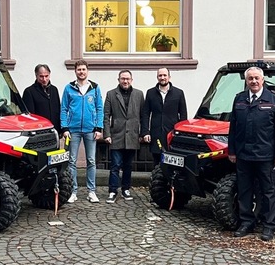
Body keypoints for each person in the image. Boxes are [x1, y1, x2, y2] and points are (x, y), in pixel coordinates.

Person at [228, 67, 275, 241]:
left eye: (256, 78)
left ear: (263, 80)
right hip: (243, 155)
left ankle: (269, 225)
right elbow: (233, 128)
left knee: (268, 191)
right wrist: (232, 151)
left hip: (265, 155)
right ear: (246, 81)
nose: (253, 81)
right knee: (245, 190)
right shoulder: (239, 99)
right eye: (250, 78)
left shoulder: (274, 99)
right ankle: (247, 222)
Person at [60, 60, 104, 203]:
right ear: (75, 71)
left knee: (91, 160)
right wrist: (65, 128)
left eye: (83, 69)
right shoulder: (69, 88)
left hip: (90, 130)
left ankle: (92, 191)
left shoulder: (95, 88)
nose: (81, 72)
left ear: (87, 71)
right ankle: (73, 191)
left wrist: (98, 128)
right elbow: (64, 108)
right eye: (79, 69)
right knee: (72, 161)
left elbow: (99, 109)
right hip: (73, 130)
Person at [103, 70, 144, 203]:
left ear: (131, 80)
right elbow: (106, 116)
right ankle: (112, 191)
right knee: (115, 165)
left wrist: (142, 133)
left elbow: (143, 116)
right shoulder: (111, 94)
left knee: (128, 165)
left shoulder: (139, 94)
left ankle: (126, 189)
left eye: (127, 79)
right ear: (118, 80)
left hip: (132, 135)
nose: (125, 81)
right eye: (122, 79)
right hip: (116, 135)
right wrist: (107, 134)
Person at [141, 68, 188, 166]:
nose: (162, 78)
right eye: (160, 76)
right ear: (157, 77)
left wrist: (181, 134)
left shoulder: (178, 93)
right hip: (156, 134)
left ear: (169, 77)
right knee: (157, 162)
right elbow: (145, 114)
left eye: (164, 75)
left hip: (172, 134)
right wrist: (145, 132)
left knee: (173, 163)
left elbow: (183, 115)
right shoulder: (150, 93)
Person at [22, 64, 61, 131]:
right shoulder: (29, 91)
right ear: (36, 76)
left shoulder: (54, 89)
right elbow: (29, 116)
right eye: (41, 76)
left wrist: (60, 129)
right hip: (39, 130)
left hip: (54, 130)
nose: (44, 79)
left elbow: (58, 110)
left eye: (46, 76)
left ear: (49, 74)